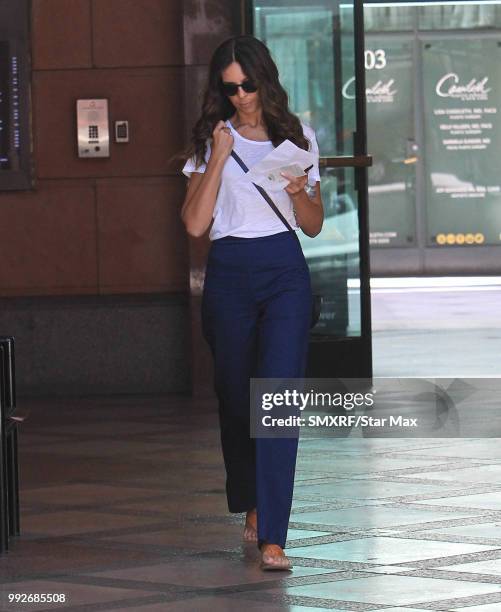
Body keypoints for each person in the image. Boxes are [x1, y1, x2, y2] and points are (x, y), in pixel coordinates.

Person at [180, 35, 323, 571]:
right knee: (238, 400)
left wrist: (297, 192)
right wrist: (218, 157)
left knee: (278, 401)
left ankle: (275, 538)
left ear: (266, 77)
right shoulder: (211, 139)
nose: (241, 95)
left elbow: (312, 225)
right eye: (230, 87)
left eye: (248, 84)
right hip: (230, 273)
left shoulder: (299, 136)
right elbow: (195, 224)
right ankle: (252, 502)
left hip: (285, 270)